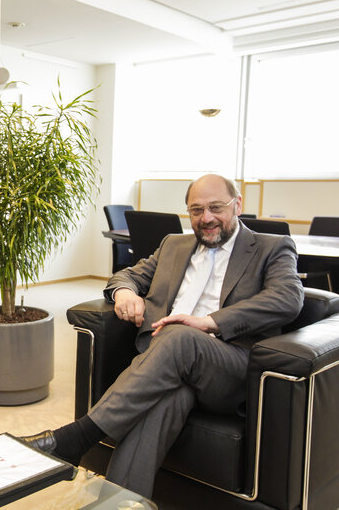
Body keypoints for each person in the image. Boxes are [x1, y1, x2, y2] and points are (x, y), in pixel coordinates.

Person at [22, 174, 303, 497]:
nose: (206, 218)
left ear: (237, 205)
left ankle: (76, 438)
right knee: (170, 396)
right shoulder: (174, 245)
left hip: (226, 366)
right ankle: (118, 503)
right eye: (196, 210)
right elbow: (127, 274)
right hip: (164, 363)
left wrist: (209, 322)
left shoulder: (270, 247)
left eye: (216, 207)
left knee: (179, 335)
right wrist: (125, 293)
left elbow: (287, 299)